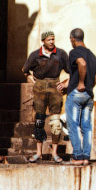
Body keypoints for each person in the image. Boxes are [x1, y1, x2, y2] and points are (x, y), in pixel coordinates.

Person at [22, 31, 70, 164]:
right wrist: (34, 81)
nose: (51, 42)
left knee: (55, 123)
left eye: (53, 39)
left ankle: (54, 153)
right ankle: (39, 152)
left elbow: (71, 71)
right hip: (40, 88)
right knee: (39, 121)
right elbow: (25, 70)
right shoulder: (35, 55)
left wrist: (65, 83)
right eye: (49, 40)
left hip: (55, 86)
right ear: (43, 41)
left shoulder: (60, 54)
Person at [57, 28, 96, 167]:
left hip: (76, 94)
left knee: (73, 125)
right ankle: (86, 157)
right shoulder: (92, 55)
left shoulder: (74, 52)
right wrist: (88, 87)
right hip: (88, 95)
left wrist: (81, 83)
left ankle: (77, 156)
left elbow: (82, 64)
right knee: (86, 126)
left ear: (72, 38)